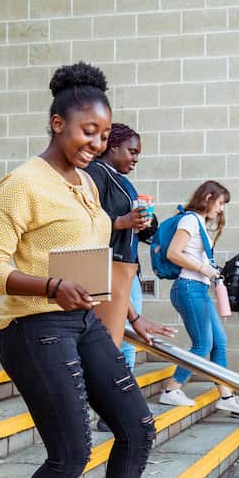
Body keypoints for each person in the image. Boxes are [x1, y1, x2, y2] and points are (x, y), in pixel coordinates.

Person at [0, 62, 175, 478]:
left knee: (137, 427)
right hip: (33, 325)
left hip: (81, 318)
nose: (97, 142)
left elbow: (93, 255)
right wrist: (49, 286)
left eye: (105, 134)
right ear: (57, 122)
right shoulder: (22, 184)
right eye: (89, 131)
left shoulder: (87, 182)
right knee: (71, 451)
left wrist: (127, 312)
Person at [157, 180, 239, 417]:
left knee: (219, 342)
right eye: (221, 203)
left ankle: (227, 396)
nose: (221, 209)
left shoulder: (198, 222)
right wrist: (204, 268)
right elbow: (173, 253)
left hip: (198, 288)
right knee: (202, 344)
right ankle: (172, 389)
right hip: (189, 287)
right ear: (208, 197)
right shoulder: (190, 219)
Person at [87, 122, 156, 370]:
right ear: (113, 147)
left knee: (124, 340)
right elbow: (88, 219)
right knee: (117, 342)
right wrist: (123, 221)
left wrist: (146, 222)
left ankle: (120, 391)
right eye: (132, 151)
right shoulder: (95, 171)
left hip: (126, 266)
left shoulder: (121, 179)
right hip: (107, 266)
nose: (136, 158)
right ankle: (118, 393)